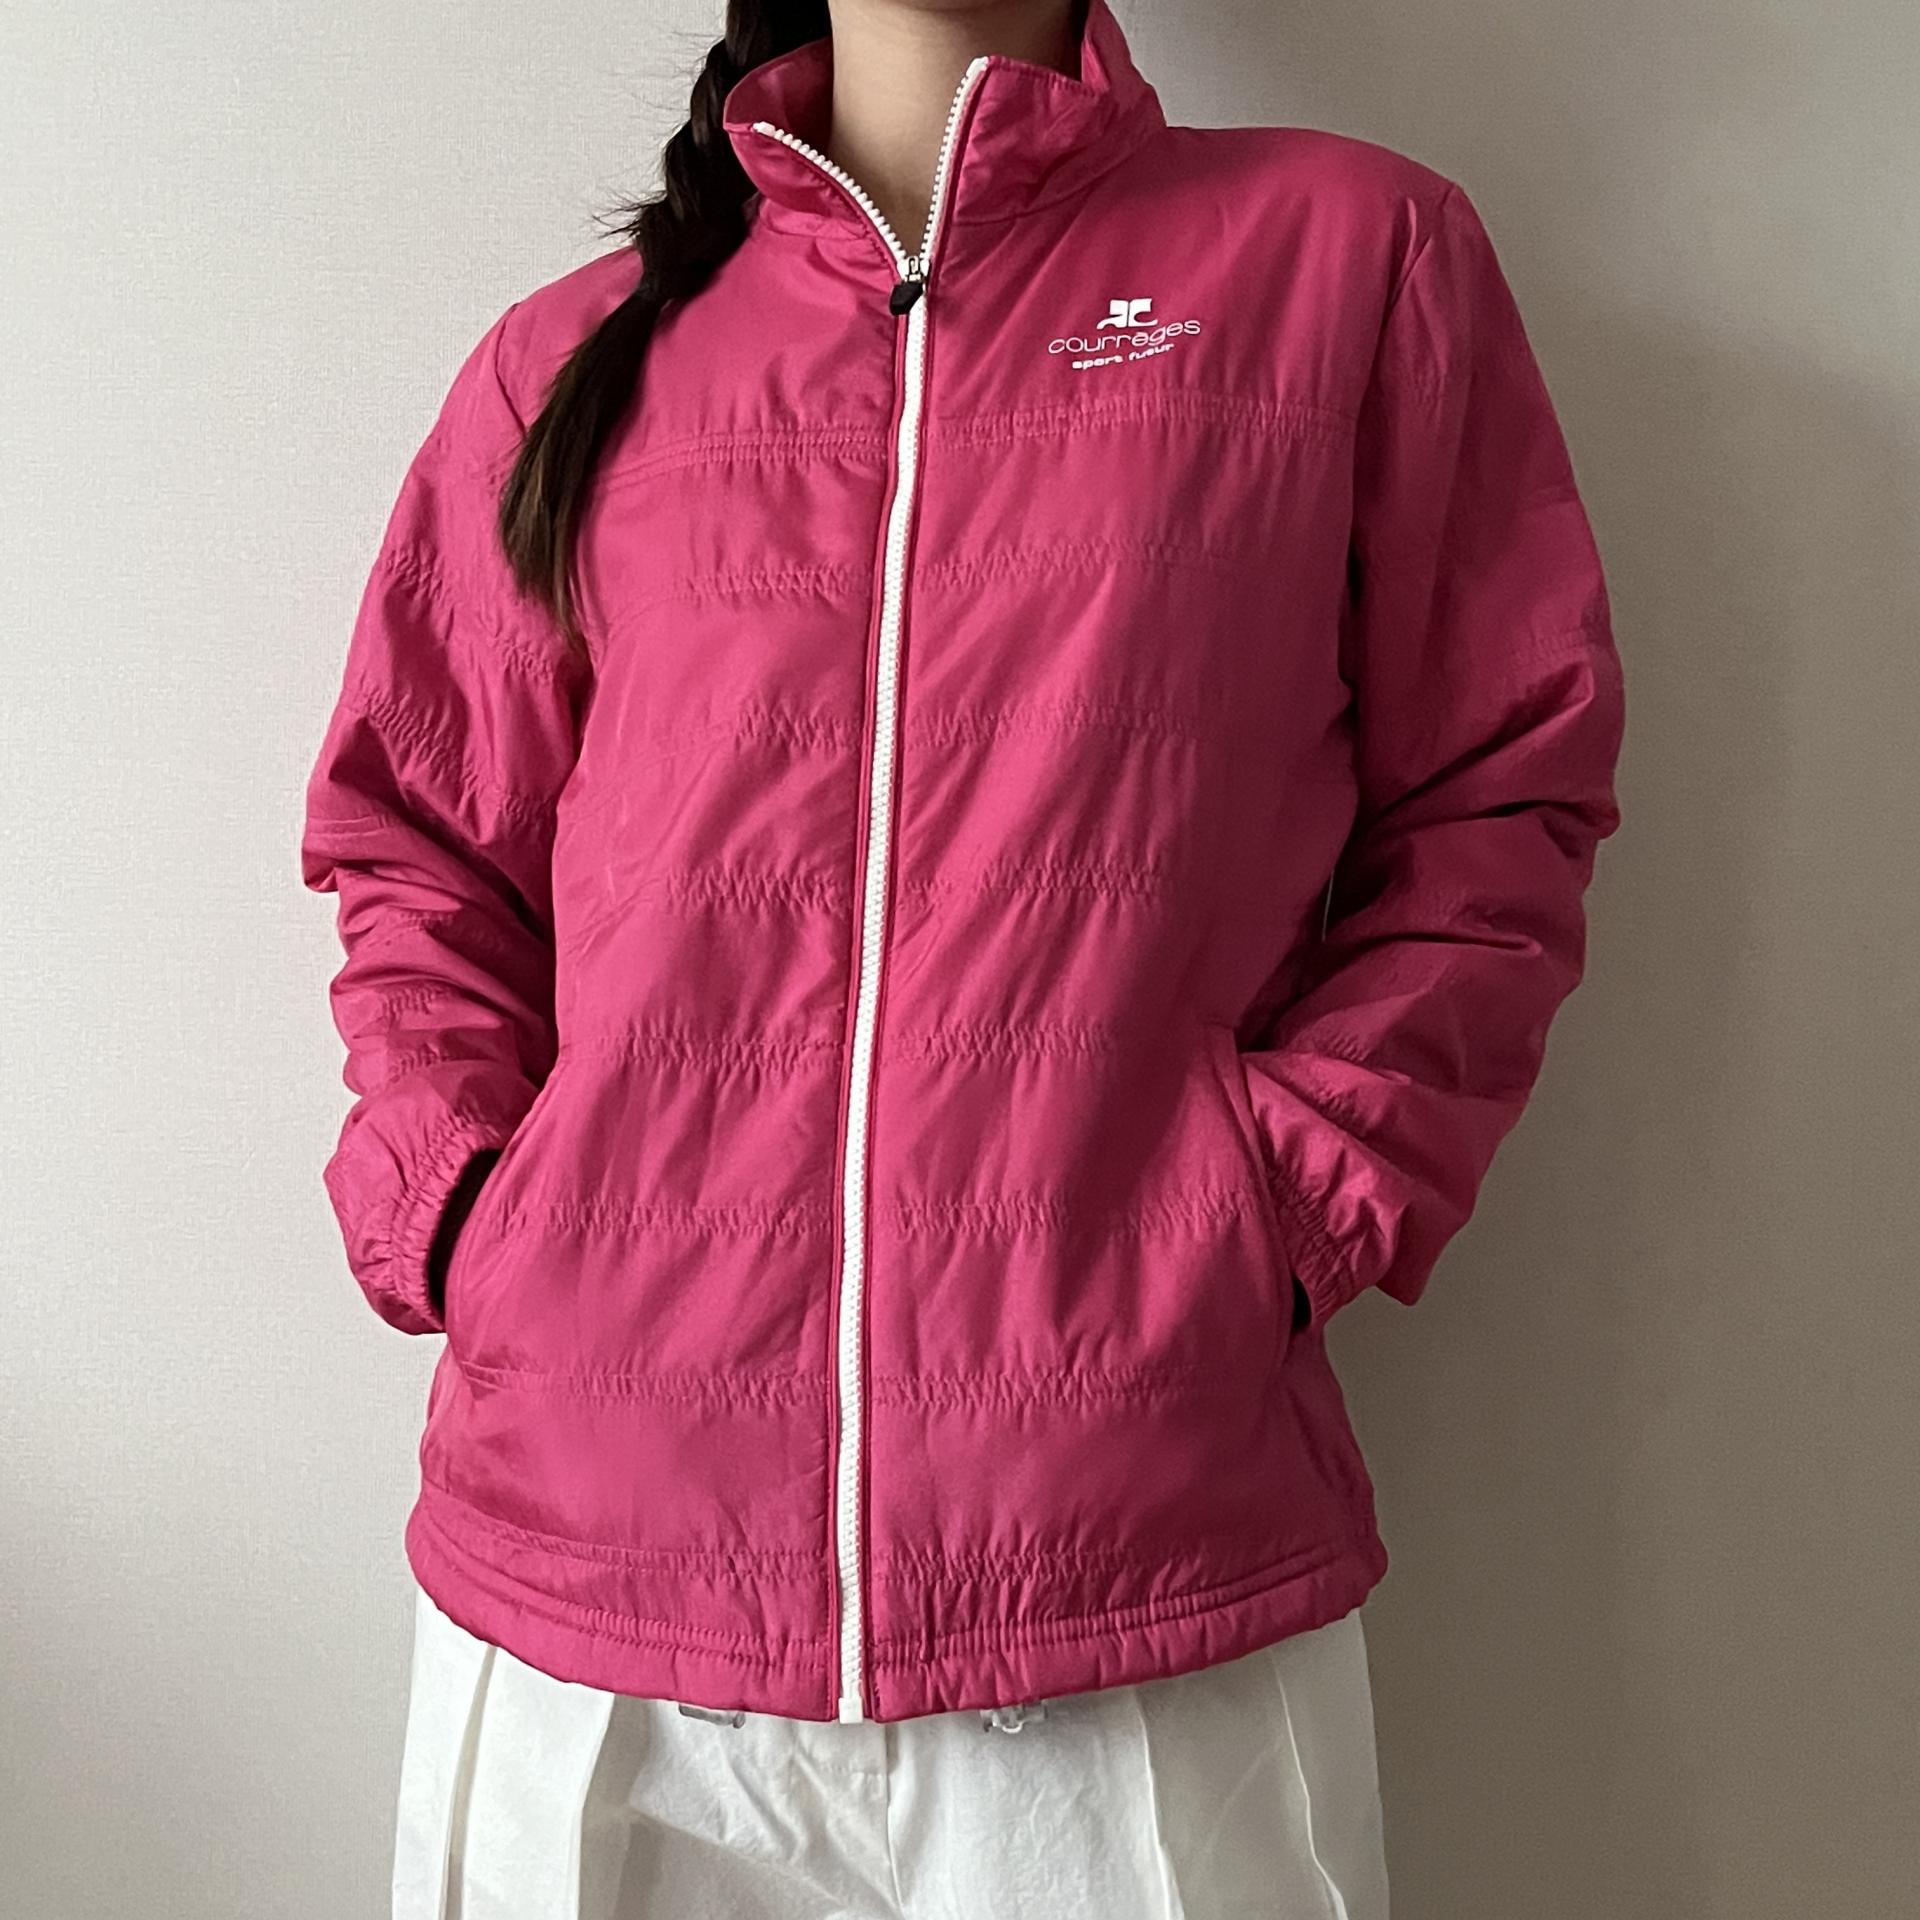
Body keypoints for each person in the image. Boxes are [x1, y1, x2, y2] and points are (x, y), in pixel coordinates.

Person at [298, 0, 1626, 1912]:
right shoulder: (574, 357)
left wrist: (1284, 1207)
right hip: (587, 1572)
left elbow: (1500, 789)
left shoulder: (1346, 257)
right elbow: (419, 843)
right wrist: (464, 1218)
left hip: (1124, 1579)